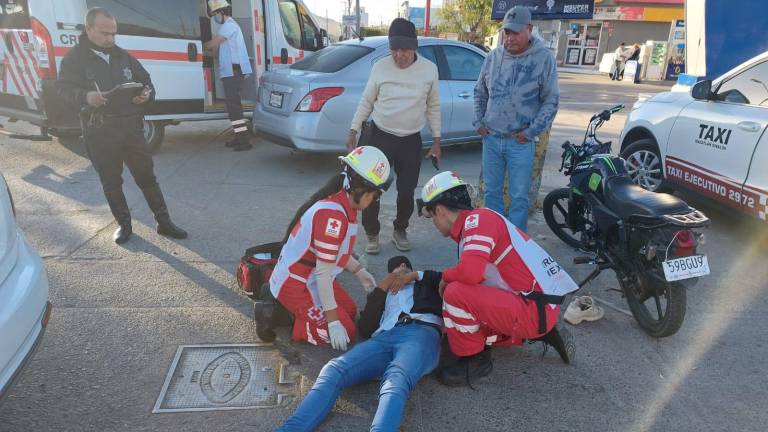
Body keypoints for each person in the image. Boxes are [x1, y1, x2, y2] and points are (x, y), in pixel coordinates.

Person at [416, 171, 577, 387]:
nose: (434, 223)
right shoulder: (478, 222)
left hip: (532, 308)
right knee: (461, 303)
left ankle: (475, 361)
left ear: (439, 210)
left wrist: (445, 278)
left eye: (431, 217)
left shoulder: (477, 221)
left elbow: (470, 274)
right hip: (538, 304)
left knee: (455, 293)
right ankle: (543, 332)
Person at [56, 7, 187, 244]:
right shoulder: (74, 59)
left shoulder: (123, 56)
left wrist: (146, 95)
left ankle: (164, 221)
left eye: (114, 34)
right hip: (100, 131)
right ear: (89, 29)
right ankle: (124, 225)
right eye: (105, 33)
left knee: (147, 176)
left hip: (130, 128)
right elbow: (62, 91)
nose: (110, 39)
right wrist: (86, 97)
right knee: (111, 181)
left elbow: (146, 82)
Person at [276, 256, 443, 431]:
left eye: (404, 267)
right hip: (384, 338)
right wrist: (381, 288)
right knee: (333, 369)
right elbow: (366, 328)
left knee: (396, 378)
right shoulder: (385, 295)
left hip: (421, 332)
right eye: (394, 270)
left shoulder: (427, 284)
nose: (399, 270)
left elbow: (448, 278)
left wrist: (415, 276)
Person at [264, 146, 392, 350]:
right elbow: (324, 273)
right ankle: (281, 315)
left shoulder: (342, 204)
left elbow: (334, 254)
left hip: (309, 276)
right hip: (296, 284)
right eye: (374, 195)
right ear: (360, 188)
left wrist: (359, 271)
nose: (374, 201)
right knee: (346, 332)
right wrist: (332, 323)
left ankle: (299, 311)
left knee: (349, 311)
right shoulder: (333, 217)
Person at [347, 17, 442, 254]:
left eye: (404, 50)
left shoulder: (429, 70)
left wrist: (437, 140)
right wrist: (353, 129)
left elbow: (433, 106)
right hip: (380, 137)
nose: (399, 55)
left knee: (407, 190)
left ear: (414, 47)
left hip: (411, 139)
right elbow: (367, 100)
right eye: (394, 50)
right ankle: (371, 233)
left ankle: (400, 229)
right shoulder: (380, 67)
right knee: (371, 189)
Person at [473, 6, 559, 233]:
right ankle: (494, 237)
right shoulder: (493, 57)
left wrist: (531, 132)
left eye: (515, 33)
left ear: (529, 29)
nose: (509, 38)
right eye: (506, 32)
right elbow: (480, 92)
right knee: (492, 193)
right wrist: (479, 122)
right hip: (491, 139)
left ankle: (516, 245)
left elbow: (551, 101)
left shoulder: (543, 59)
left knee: (519, 197)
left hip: (520, 142)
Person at [204, 0, 253, 152]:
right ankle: (239, 137)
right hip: (230, 72)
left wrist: (199, 45)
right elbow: (219, 50)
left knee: (234, 107)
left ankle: (244, 141)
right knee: (232, 107)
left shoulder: (230, 25)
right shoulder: (227, 27)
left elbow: (213, 44)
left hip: (233, 72)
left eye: (215, 14)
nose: (215, 17)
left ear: (221, 12)